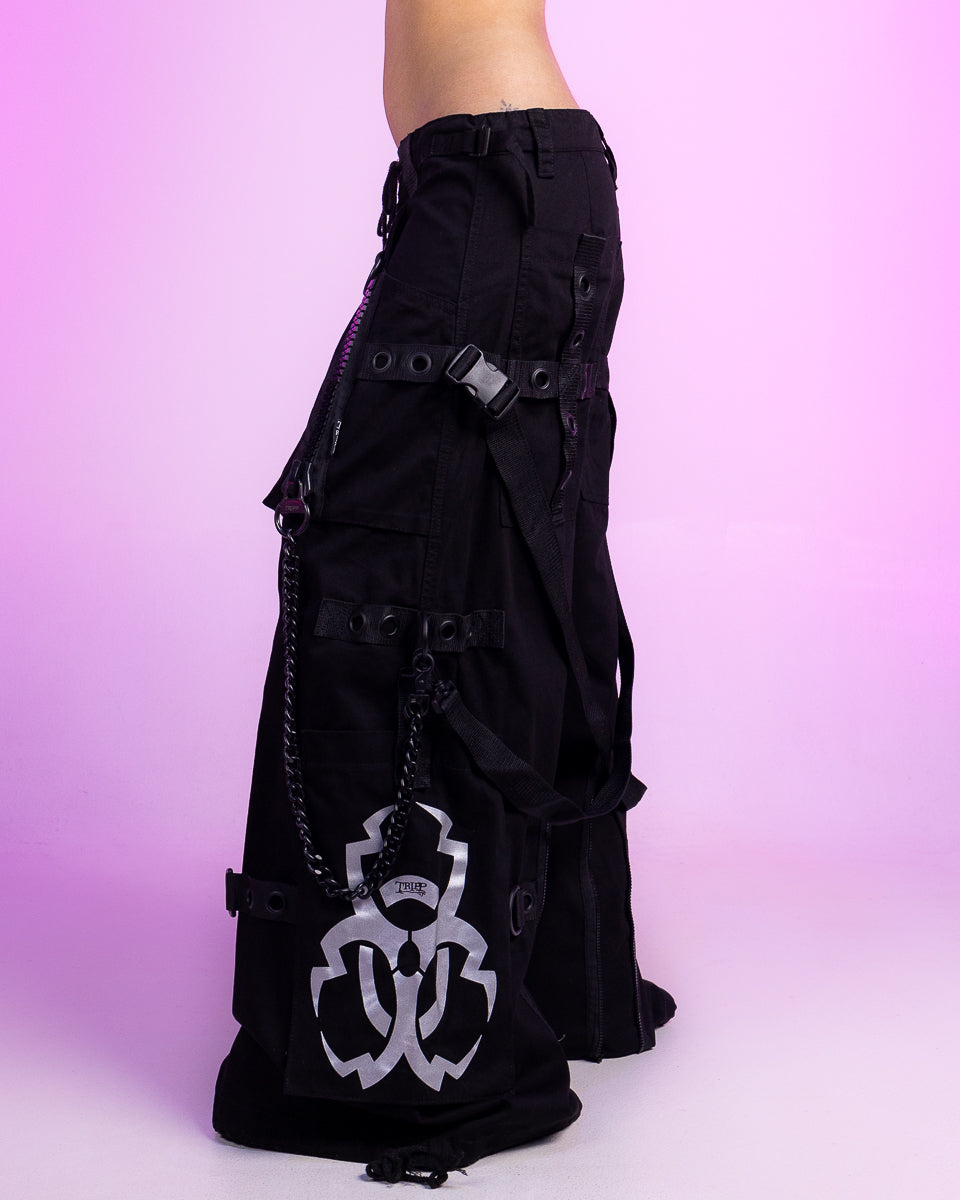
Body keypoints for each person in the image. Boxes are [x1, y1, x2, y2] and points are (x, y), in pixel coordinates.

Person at [214, 1, 675, 1187]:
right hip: (499, 186)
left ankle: (415, 1077)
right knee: (493, 572)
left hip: (494, 184)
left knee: (398, 576)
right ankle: (558, 979)